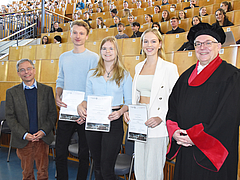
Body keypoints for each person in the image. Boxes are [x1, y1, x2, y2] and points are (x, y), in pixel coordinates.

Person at [167, 22, 240, 180]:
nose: (202, 47)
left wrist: (195, 137)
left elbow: (229, 118)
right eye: (198, 44)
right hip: (185, 146)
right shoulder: (185, 77)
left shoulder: (232, 76)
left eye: (208, 43)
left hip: (212, 154)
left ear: (219, 46)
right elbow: (172, 109)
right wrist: (174, 132)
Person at [124, 28, 179, 180]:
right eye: (146, 41)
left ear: (160, 44)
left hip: (157, 122)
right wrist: (130, 112)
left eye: (153, 41)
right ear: (141, 44)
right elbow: (136, 96)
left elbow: (176, 99)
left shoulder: (169, 68)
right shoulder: (138, 67)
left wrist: (161, 117)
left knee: (153, 170)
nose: (149, 45)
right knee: (139, 168)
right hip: (139, 121)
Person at [77, 36, 132, 180]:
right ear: (100, 51)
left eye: (111, 48)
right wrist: (80, 107)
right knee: (97, 166)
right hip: (94, 121)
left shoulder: (124, 74)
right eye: (104, 48)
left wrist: (120, 112)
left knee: (107, 168)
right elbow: (86, 99)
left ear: (116, 51)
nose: (107, 51)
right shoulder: (92, 73)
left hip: (114, 120)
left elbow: (129, 103)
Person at [55, 20, 98, 180]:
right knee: (60, 151)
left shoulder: (93, 58)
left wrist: (85, 108)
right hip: (66, 110)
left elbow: (94, 85)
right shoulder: (64, 57)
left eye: (81, 33)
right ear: (70, 34)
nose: (78, 36)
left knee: (84, 153)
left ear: (87, 36)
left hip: (85, 113)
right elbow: (60, 80)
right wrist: (57, 95)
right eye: (75, 32)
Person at [5, 59, 57, 180]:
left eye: (29, 68)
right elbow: (10, 117)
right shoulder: (11, 92)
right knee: (27, 173)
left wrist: (43, 131)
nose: (26, 72)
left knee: (43, 172)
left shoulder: (47, 90)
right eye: (22, 70)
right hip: (24, 139)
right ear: (18, 73)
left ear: (34, 70)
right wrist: (24, 134)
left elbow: (52, 114)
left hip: (42, 138)